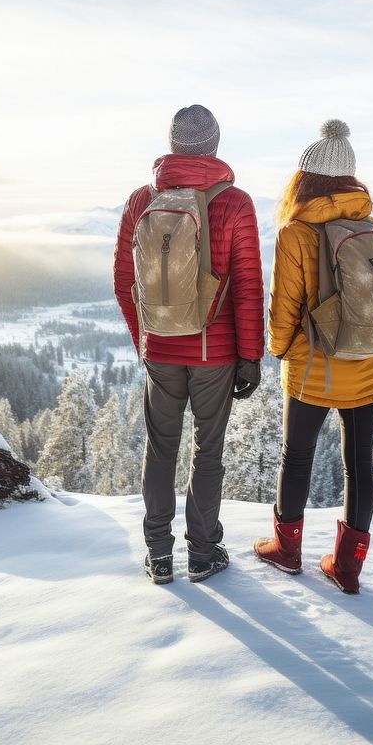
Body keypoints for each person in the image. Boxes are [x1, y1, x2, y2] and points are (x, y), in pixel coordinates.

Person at [254, 119, 373, 594]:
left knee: (297, 456)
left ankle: (286, 550)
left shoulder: (295, 233)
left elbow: (283, 308)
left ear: (304, 179)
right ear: (350, 180)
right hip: (369, 369)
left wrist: (282, 351)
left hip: (313, 369)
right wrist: (369, 339)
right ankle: (347, 568)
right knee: (359, 463)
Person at [114, 104, 264, 584]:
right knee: (208, 450)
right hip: (213, 353)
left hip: (161, 349)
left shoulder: (142, 200)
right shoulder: (235, 202)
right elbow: (246, 285)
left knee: (160, 449)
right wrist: (250, 357)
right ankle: (203, 553)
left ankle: (159, 553)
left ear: (173, 144)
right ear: (215, 145)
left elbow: (124, 279)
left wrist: (146, 338)